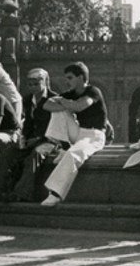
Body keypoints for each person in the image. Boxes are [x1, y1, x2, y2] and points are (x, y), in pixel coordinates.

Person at [41, 62, 107, 206]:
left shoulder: (93, 91)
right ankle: (64, 146)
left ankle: (55, 193)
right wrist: (64, 103)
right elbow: (46, 105)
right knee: (60, 111)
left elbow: (80, 106)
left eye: (70, 78)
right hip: (78, 132)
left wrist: (62, 101)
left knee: (73, 155)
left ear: (81, 77)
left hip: (94, 136)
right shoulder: (71, 94)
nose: (67, 81)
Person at [3, 68, 60, 202]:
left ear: (45, 82)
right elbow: (28, 123)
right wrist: (23, 138)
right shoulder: (27, 100)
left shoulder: (55, 99)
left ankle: (21, 194)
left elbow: (56, 126)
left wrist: (39, 139)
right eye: (29, 83)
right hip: (31, 139)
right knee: (7, 154)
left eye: (36, 83)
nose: (32, 87)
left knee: (35, 155)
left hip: (50, 140)